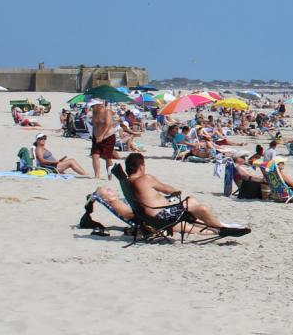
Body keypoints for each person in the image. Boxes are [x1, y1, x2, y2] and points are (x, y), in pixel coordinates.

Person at [122, 151, 250, 236]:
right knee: (202, 208)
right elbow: (168, 190)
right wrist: (174, 191)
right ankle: (222, 229)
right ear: (141, 167)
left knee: (192, 200)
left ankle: (216, 225)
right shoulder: (145, 178)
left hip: (154, 215)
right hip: (162, 215)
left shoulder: (128, 182)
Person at [91, 101, 117, 179]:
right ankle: (97, 175)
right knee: (94, 155)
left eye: (93, 105)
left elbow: (107, 125)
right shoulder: (94, 112)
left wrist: (101, 136)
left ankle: (109, 176)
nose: (91, 107)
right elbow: (94, 124)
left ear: (98, 105)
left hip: (108, 137)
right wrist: (95, 136)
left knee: (108, 158)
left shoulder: (107, 112)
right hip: (96, 137)